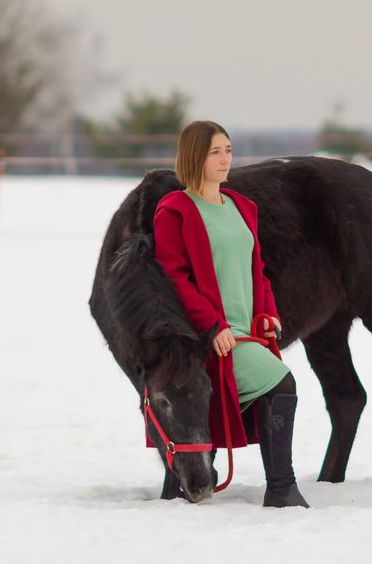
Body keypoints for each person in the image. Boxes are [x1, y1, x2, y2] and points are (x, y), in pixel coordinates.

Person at [151, 120, 309, 508]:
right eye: (215, 152)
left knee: (236, 400)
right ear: (194, 157)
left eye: (229, 150)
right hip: (206, 335)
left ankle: (186, 483)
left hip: (246, 328)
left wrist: (268, 312)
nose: (226, 159)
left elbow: (257, 269)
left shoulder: (241, 206)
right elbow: (176, 278)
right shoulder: (175, 211)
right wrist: (212, 326)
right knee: (280, 382)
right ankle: (282, 488)